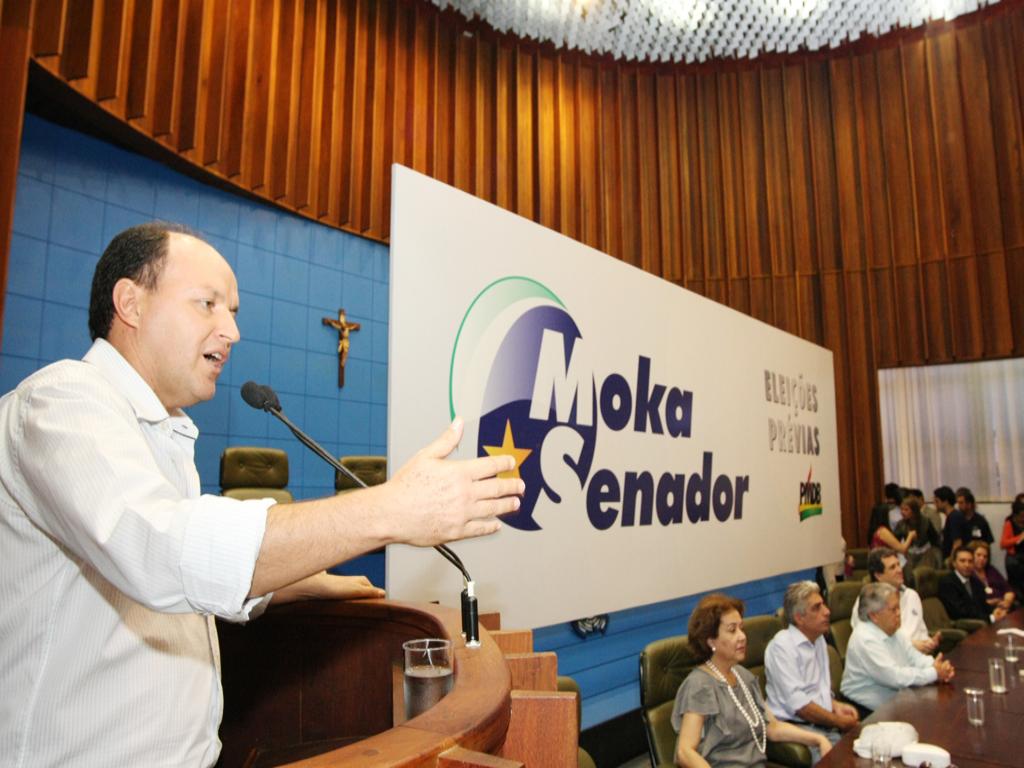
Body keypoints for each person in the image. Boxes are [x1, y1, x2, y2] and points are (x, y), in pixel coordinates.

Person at [0, 223, 525, 767]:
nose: (231, 331)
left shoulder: (163, 433)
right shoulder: (61, 403)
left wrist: (287, 584)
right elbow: (162, 553)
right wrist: (390, 508)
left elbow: (158, 587)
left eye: (232, 312)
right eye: (207, 304)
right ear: (130, 303)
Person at [672, 594, 831, 767]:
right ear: (711, 641)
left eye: (741, 628)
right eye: (732, 630)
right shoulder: (699, 685)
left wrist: (818, 739)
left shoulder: (743, 676)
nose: (742, 636)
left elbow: (773, 727)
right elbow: (684, 752)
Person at [765, 582, 859, 763]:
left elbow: (817, 688)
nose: (827, 611)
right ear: (799, 618)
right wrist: (837, 721)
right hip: (798, 728)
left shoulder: (818, 639)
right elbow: (800, 706)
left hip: (822, 724)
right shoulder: (782, 647)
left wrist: (835, 705)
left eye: (823, 605)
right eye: (817, 608)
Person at [841, 582, 955, 713]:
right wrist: (933, 673)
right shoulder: (865, 638)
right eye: (893, 609)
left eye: (898, 607)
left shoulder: (892, 629)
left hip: (895, 698)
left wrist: (937, 665)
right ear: (874, 616)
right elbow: (895, 677)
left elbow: (914, 657)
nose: (899, 613)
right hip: (863, 710)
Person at [851, 547, 940, 654]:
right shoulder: (867, 603)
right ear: (878, 575)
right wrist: (911, 646)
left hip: (919, 658)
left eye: (898, 564)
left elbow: (921, 632)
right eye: (892, 567)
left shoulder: (912, 595)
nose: (899, 570)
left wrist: (929, 643)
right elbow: (870, 645)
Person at [938, 546, 1008, 623]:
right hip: (963, 625)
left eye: (970, 561)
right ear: (954, 563)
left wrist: (995, 611)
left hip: (982, 622)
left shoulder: (975, 581)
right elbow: (960, 611)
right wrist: (990, 618)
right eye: (962, 561)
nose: (967, 565)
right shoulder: (947, 583)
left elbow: (982, 604)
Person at [896, 495, 942, 582]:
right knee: (909, 578)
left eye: (906, 510)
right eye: (901, 509)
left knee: (924, 578)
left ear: (914, 511)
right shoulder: (900, 524)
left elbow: (935, 541)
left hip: (926, 553)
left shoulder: (926, 521)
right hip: (909, 554)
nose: (902, 512)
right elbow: (895, 541)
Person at [943, 488, 994, 558]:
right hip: (960, 556)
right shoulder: (956, 519)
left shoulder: (980, 521)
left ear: (969, 504)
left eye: (961, 503)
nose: (958, 506)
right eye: (958, 503)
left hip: (977, 556)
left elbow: (987, 542)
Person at [968, 540, 1015, 609]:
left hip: (1003, 606)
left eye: (985, 556)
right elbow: (972, 602)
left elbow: (1008, 589)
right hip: (984, 609)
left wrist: (1007, 601)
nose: (982, 558)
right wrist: (994, 602)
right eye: (978, 555)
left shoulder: (991, 570)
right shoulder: (968, 574)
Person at [999, 497, 1024, 594]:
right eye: (1021, 516)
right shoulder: (1009, 523)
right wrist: (1019, 538)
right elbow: (1003, 544)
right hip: (1014, 558)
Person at [934, 485, 958, 559]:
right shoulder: (950, 517)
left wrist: (952, 560)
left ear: (945, 502)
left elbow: (957, 543)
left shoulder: (954, 517)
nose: (935, 504)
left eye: (937, 501)